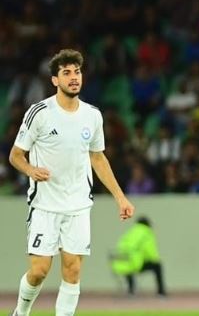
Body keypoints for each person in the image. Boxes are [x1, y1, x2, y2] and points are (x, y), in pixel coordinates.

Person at [8, 49, 135, 316]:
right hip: (45, 205)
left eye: (77, 72)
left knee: (73, 270)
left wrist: (120, 197)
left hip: (78, 205)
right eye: (66, 73)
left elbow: (98, 158)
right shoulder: (39, 113)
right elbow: (15, 155)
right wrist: (30, 170)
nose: (74, 77)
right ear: (55, 80)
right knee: (39, 270)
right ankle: (21, 312)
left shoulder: (92, 115)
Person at [110, 216, 166, 297]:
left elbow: (120, 246)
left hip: (119, 263)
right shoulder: (146, 232)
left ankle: (131, 290)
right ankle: (161, 292)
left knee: (128, 266)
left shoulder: (130, 232)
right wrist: (155, 259)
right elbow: (150, 250)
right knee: (157, 266)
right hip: (134, 264)